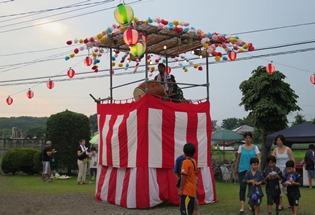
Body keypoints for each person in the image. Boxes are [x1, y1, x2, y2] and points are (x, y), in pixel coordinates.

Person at [234, 132, 261, 214]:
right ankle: (242, 206)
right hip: (242, 170)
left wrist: (258, 167)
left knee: (252, 188)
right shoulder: (241, 147)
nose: (248, 139)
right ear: (244, 139)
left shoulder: (255, 147)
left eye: (249, 138)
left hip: (252, 171)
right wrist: (235, 168)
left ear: (251, 138)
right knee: (242, 187)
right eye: (246, 138)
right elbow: (238, 159)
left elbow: (259, 157)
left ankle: (251, 203)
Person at [272, 134, 295, 210]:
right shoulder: (275, 150)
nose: (278, 142)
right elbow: (272, 161)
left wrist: (293, 170)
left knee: (288, 188)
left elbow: (292, 160)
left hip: (287, 172)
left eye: (280, 140)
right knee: (279, 188)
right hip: (278, 172)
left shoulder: (288, 149)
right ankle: (280, 205)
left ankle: (291, 203)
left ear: (283, 141)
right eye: (277, 140)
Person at [178, 143, 198, 215]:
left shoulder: (185, 162)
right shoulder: (194, 161)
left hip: (186, 192)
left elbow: (183, 177)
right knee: (190, 211)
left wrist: (180, 189)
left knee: (184, 212)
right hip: (192, 191)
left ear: (184, 152)